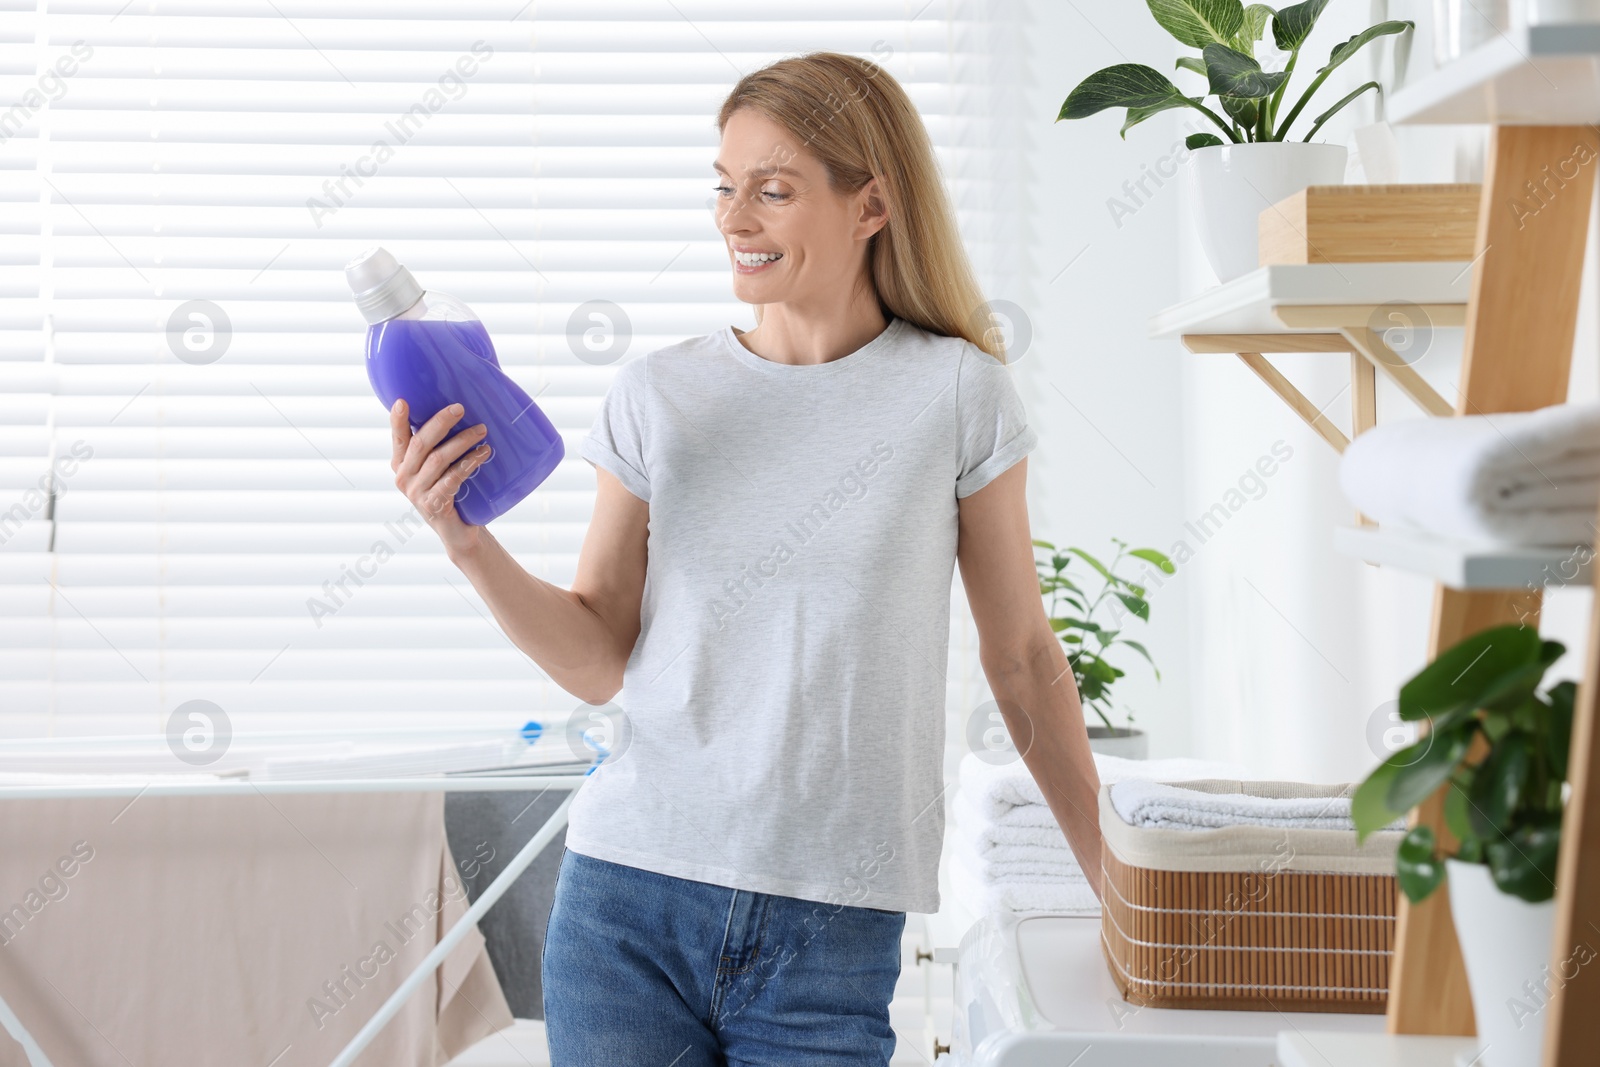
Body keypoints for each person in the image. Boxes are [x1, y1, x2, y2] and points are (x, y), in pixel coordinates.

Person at [387, 50, 1102, 1067]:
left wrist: (1117, 888)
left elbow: (1023, 656)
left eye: (772, 191)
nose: (734, 220)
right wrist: (465, 540)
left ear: (871, 205)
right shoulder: (659, 395)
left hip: (831, 927)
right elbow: (598, 655)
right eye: (724, 189)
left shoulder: (954, 395)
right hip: (625, 899)